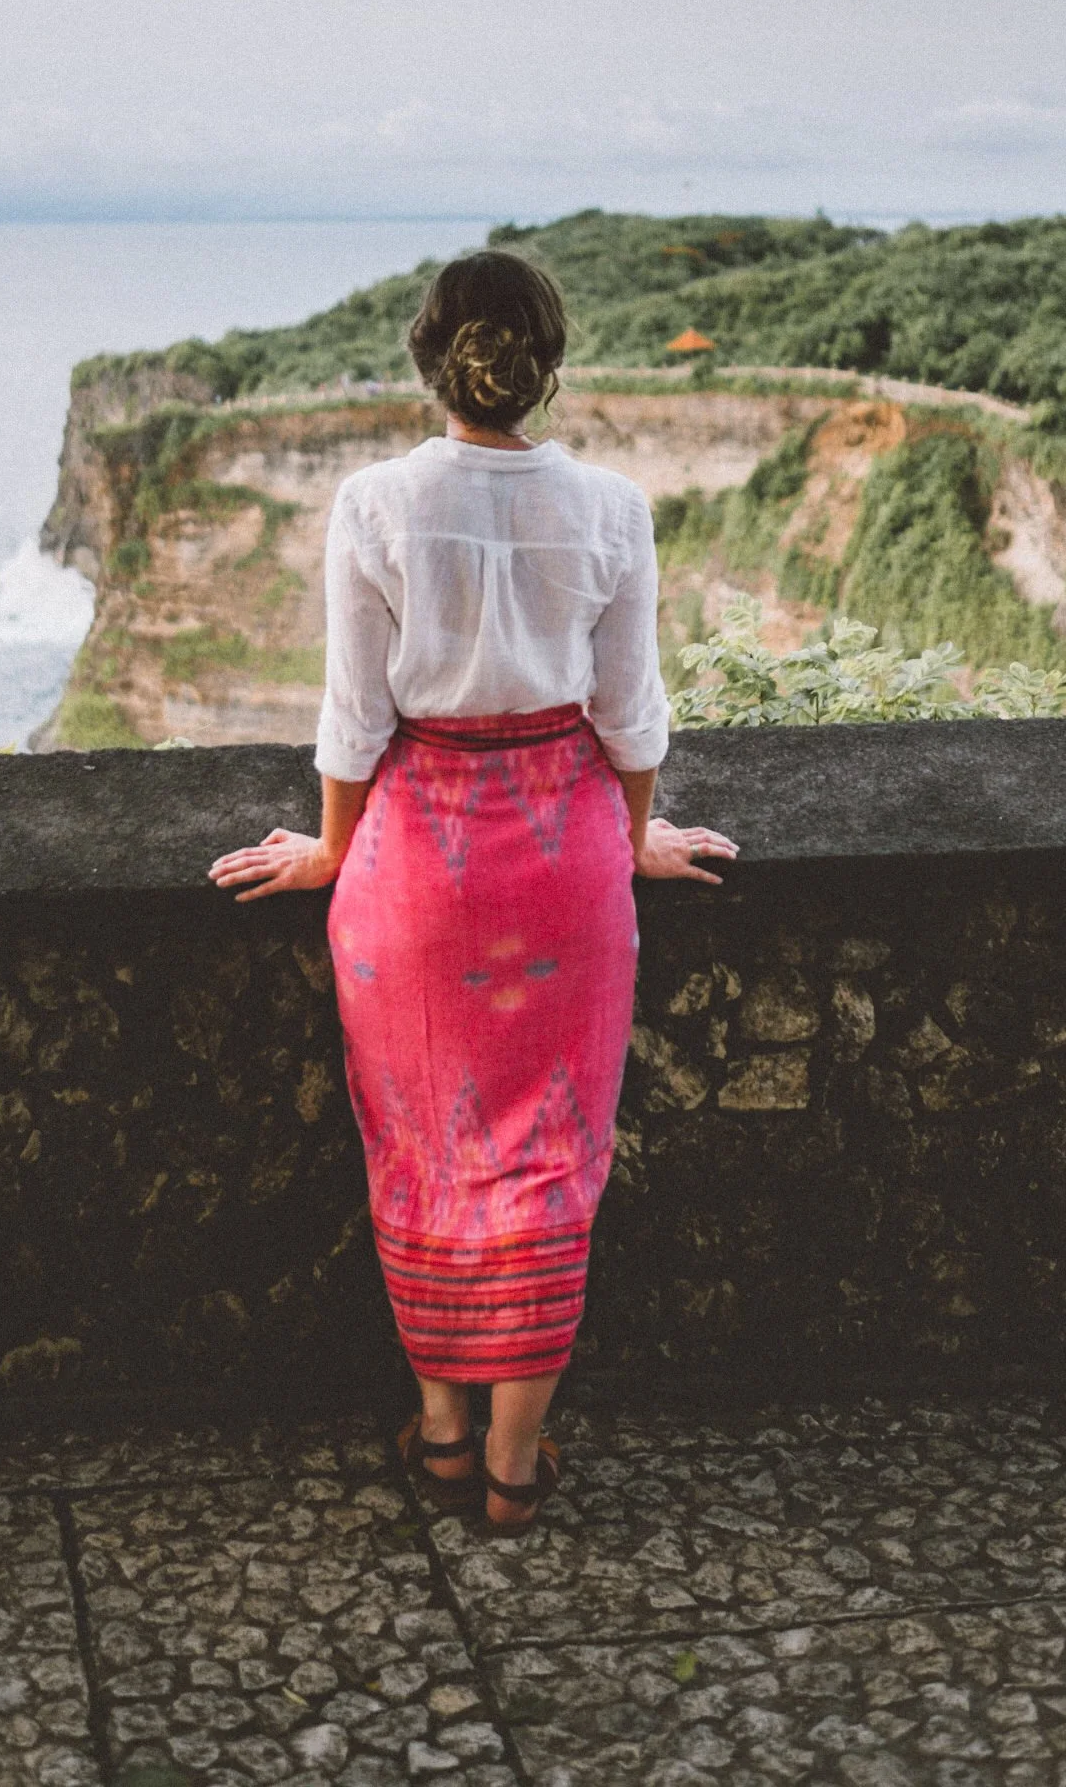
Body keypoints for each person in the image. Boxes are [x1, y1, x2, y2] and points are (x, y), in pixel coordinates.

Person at [209, 250, 738, 1532]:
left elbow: (353, 717)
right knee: (550, 1160)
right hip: (563, 864)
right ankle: (515, 1460)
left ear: (426, 355)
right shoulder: (611, 507)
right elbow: (629, 717)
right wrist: (632, 838)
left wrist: (331, 852)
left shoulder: (375, 502)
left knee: (422, 1155)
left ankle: (440, 1430)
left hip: (414, 872)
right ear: (547, 367)